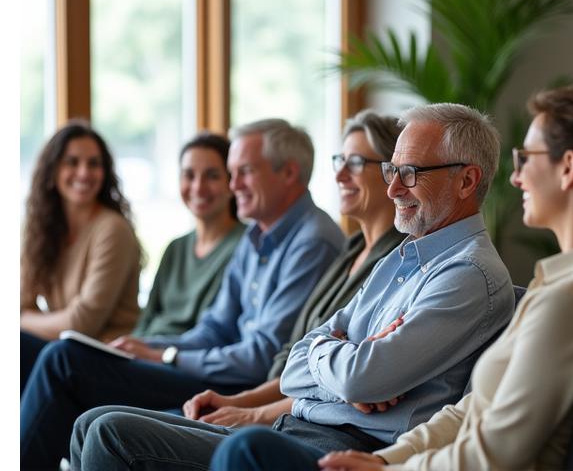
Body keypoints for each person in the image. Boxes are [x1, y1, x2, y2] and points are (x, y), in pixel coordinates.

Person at [69, 110, 407, 469]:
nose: (232, 186)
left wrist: (246, 405)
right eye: (339, 161)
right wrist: (240, 398)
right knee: (90, 422)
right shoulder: (349, 250)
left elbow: (330, 370)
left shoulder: (337, 246)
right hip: (275, 404)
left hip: (295, 416)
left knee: (96, 411)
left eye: (354, 162)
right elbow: (298, 353)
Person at [312, 83, 573, 470]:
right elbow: (470, 412)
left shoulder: (572, 301)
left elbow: (494, 453)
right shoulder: (566, 287)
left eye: (526, 158)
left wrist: (388, 469)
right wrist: (384, 461)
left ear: (569, 168)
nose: (515, 177)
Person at [20, 118, 345, 470]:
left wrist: (166, 356)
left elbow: (260, 357)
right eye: (232, 173)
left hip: (240, 384)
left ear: (289, 173)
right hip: (218, 370)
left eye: (243, 172)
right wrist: (152, 348)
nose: (233, 185)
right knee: (54, 369)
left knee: (65, 359)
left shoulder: (312, 241)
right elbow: (213, 328)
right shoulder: (257, 237)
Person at [20, 120, 140, 391]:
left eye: (94, 163)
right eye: (72, 162)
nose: (84, 172)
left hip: (105, 356)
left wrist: (25, 320)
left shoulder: (112, 229)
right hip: (61, 351)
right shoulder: (42, 230)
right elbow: (20, 301)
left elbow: (82, 323)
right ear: (52, 171)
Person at [131, 132, 245, 338]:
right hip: (144, 352)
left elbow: (216, 331)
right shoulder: (176, 248)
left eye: (212, 176)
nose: (198, 187)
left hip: (180, 358)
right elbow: (146, 319)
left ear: (231, 182)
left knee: (62, 354)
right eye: (189, 175)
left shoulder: (245, 246)